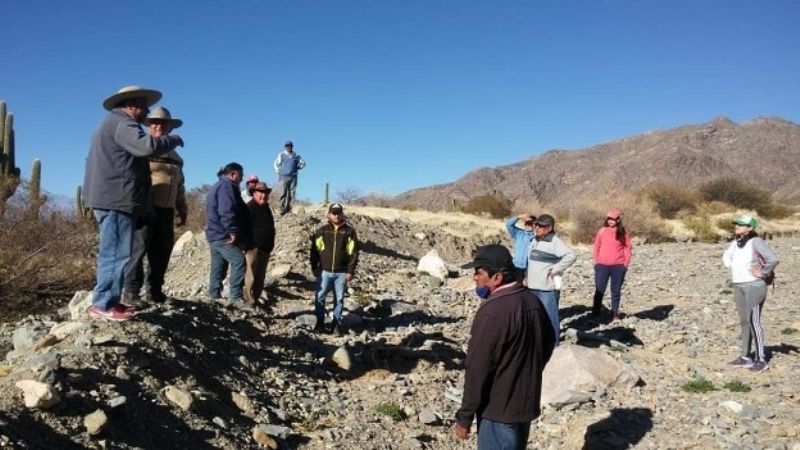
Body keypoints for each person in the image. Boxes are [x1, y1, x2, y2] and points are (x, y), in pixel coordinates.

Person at [82, 86, 183, 321]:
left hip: (115, 198)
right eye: (144, 108)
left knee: (117, 252)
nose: (146, 113)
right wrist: (173, 140)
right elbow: (146, 147)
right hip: (117, 199)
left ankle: (110, 300)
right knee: (116, 253)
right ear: (131, 106)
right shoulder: (122, 124)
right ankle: (103, 304)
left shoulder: (111, 124)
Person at [454, 244, 555, 450]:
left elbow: (478, 368)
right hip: (524, 405)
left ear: (497, 278)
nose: (474, 278)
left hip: (497, 410)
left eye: (479, 272)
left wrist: (465, 416)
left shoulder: (493, 312)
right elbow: (548, 342)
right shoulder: (532, 301)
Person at [122, 107, 187, 306]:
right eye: (155, 123)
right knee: (138, 248)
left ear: (169, 127)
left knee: (162, 250)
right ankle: (131, 291)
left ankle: (155, 291)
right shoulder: (142, 148)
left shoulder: (176, 157)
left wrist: (181, 207)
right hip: (144, 207)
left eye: (163, 123)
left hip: (166, 210)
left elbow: (180, 184)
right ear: (149, 125)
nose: (159, 126)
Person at [722, 215, 778, 374]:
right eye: (736, 224)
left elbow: (773, 259)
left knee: (754, 322)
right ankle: (745, 357)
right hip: (738, 285)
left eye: (741, 224)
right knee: (745, 322)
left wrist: (763, 273)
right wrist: (732, 265)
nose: (737, 226)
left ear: (750, 228)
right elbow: (726, 256)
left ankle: (761, 360)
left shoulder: (756, 241)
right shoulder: (736, 243)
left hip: (754, 286)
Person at [206, 162, 252, 309]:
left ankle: (213, 295)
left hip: (213, 233)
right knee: (238, 261)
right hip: (222, 234)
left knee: (218, 264)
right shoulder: (227, 187)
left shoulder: (217, 186)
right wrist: (232, 231)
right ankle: (235, 297)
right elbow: (226, 211)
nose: (242, 178)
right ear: (233, 174)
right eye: (240, 175)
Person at [526, 214, 576, 345]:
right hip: (532, 286)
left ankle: (554, 344)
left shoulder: (555, 241)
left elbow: (571, 256)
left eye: (541, 226)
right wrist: (526, 276)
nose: (537, 228)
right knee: (535, 316)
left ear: (549, 228)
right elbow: (530, 261)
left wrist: (556, 269)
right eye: (537, 225)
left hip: (546, 288)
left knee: (550, 316)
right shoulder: (534, 240)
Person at [309, 203, 358, 335]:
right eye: (334, 213)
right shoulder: (322, 231)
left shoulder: (349, 231)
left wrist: (350, 271)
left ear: (342, 214)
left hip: (341, 272)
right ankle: (319, 324)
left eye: (338, 213)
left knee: (339, 299)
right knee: (320, 297)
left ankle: (336, 325)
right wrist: (315, 268)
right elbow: (314, 250)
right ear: (329, 214)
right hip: (324, 271)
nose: (336, 216)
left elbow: (353, 253)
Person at [591, 208, 633, 321]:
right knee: (599, 291)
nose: (610, 221)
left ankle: (615, 314)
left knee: (616, 291)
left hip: (618, 266)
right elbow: (596, 246)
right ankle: (595, 314)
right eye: (609, 219)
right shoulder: (602, 231)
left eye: (613, 219)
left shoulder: (624, 232)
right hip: (602, 266)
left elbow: (627, 248)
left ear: (618, 220)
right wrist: (596, 262)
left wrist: (625, 264)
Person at [244, 182, 276, 304]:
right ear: (254, 194)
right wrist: (248, 245)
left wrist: (270, 245)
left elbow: (271, 226)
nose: (264, 195)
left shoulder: (266, 208)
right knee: (250, 275)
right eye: (260, 193)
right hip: (253, 247)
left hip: (265, 248)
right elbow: (244, 228)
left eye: (265, 193)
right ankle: (248, 300)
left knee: (260, 276)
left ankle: (256, 299)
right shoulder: (249, 207)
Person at [273, 140, 305, 215]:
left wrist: (297, 168)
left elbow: (303, 163)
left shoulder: (296, 156)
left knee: (292, 194)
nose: (288, 147)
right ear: (285, 147)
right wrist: (279, 172)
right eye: (286, 146)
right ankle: (282, 209)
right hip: (284, 176)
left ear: (292, 147)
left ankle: (289, 209)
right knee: (283, 193)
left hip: (293, 177)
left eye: (289, 146)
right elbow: (275, 164)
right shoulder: (281, 155)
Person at [505, 213, 536, 281]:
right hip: (515, 265)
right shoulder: (518, 233)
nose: (527, 225)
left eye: (530, 223)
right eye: (526, 223)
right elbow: (508, 224)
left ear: (534, 225)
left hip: (528, 269)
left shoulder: (537, 237)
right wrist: (519, 217)